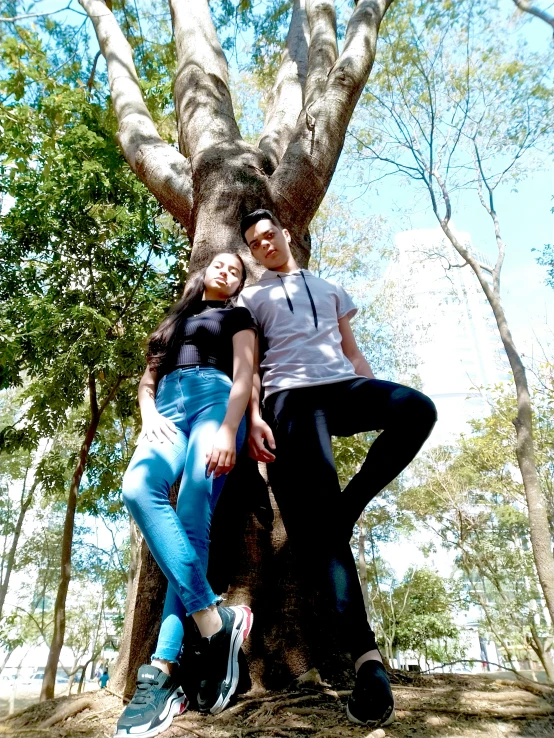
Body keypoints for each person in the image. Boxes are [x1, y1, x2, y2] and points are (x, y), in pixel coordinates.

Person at [238, 209, 437, 729]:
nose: (264, 246)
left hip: (341, 388)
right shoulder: (252, 298)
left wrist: (376, 398)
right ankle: (368, 664)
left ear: (286, 234)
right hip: (290, 402)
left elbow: (352, 352)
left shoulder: (329, 288)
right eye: (254, 244)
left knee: (418, 409)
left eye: (268, 236)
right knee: (328, 539)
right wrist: (256, 419)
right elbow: (251, 367)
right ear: (253, 252)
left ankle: (348, 508)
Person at [115, 253, 256, 738]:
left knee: (193, 510)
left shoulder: (237, 316)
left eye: (235, 271)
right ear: (204, 272)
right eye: (220, 265)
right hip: (167, 409)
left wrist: (230, 429)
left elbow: (244, 375)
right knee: (137, 487)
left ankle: (163, 670)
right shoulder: (176, 319)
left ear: (238, 285)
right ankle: (215, 624)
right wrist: (148, 412)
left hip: (215, 399)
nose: (225, 271)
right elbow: (148, 378)